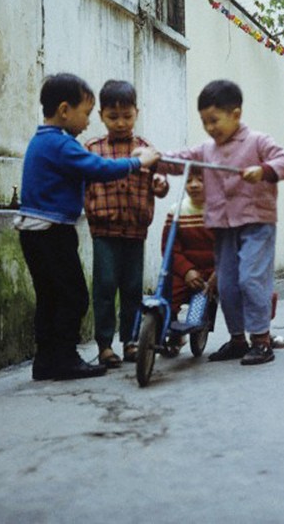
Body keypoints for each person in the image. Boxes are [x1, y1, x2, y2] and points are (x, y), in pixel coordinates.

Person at [15, 73, 159, 381]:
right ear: (65, 110)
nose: (87, 122)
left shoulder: (45, 141)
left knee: (50, 298)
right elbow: (100, 168)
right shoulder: (61, 144)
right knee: (74, 296)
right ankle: (65, 357)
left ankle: (46, 360)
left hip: (35, 231)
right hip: (51, 232)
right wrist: (138, 163)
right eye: (85, 113)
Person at [165, 80, 284, 365]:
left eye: (214, 120)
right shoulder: (205, 150)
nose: (210, 128)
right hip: (222, 227)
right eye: (204, 122)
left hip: (257, 223)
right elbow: (180, 160)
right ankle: (237, 339)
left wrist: (263, 171)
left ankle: (261, 340)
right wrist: (153, 160)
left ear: (235, 114)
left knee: (251, 278)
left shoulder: (258, 141)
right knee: (226, 284)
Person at [84, 80, 169, 368]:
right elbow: (81, 184)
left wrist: (159, 184)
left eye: (127, 116)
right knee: (105, 287)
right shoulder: (92, 150)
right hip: (104, 232)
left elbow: (161, 184)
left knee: (132, 288)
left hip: (135, 231)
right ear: (101, 116)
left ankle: (131, 341)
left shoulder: (147, 150)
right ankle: (105, 345)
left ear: (137, 113)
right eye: (112, 117)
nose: (120, 123)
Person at [160, 166, 216, 355]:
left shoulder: (220, 210)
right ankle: (171, 332)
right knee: (167, 292)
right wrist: (186, 271)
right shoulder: (177, 211)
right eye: (189, 180)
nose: (194, 185)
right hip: (187, 270)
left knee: (239, 291)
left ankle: (252, 336)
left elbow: (228, 247)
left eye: (200, 180)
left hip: (215, 269)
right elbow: (169, 249)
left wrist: (219, 272)